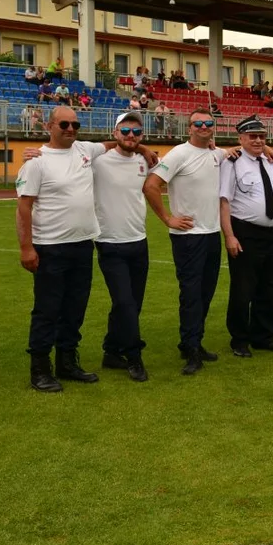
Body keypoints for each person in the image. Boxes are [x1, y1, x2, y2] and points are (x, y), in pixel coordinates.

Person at [15, 106, 106, 392]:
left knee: (75, 308)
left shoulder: (84, 150)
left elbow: (117, 143)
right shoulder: (36, 162)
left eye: (75, 125)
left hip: (82, 245)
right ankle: (40, 369)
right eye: (64, 124)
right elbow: (23, 207)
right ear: (49, 126)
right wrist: (26, 248)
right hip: (50, 247)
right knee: (47, 309)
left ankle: (67, 362)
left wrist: (143, 150)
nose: (70, 129)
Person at [144, 107, 227, 375]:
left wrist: (270, 151)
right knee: (191, 295)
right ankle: (191, 349)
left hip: (212, 234)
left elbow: (239, 151)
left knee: (205, 293)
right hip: (188, 238)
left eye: (208, 123)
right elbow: (151, 185)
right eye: (198, 124)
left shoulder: (216, 153)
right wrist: (168, 218)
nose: (204, 127)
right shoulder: (180, 153)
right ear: (189, 128)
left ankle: (193, 341)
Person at [92, 111, 152, 382]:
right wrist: (35, 154)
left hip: (139, 242)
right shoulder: (99, 160)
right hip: (110, 242)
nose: (131, 136)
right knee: (125, 302)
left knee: (130, 305)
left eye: (136, 132)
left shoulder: (143, 159)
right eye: (125, 131)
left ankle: (111, 351)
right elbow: (67, 154)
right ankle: (134, 357)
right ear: (114, 133)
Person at [219, 116, 273, 357]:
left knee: (271, 288)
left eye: (261, 136)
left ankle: (264, 336)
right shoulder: (232, 163)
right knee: (243, 289)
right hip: (246, 232)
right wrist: (229, 236)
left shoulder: (270, 162)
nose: (258, 140)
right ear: (241, 138)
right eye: (252, 136)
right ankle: (239, 339)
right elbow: (224, 202)